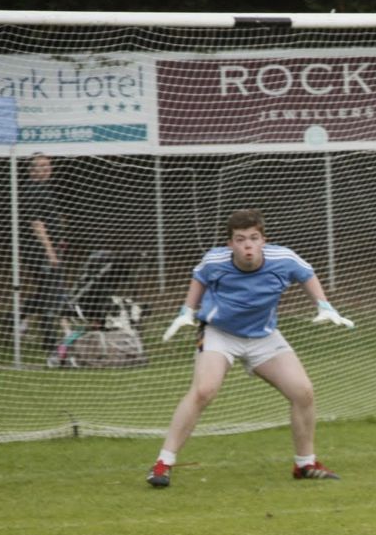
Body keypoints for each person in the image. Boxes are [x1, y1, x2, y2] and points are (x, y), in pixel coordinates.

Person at [147, 209, 355, 488]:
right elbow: (200, 276)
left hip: (263, 336)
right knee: (204, 390)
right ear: (230, 244)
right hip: (220, 333)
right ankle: (163, 463)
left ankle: (305, 464)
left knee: (303, 391)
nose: (247, 245)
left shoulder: (283, 258)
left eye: (254, 238)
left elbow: (306, 274)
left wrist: (324, 305)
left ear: (263, 241)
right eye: (240, 239)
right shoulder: (215, 260)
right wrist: (187, 310)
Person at [19, 153, 73, 367]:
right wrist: (50, 252)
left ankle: (15, 319)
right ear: (31, 170)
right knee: (52, 297)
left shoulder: (45, 188)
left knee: (46, 293)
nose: (44, 169)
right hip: (39, 253)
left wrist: (60, 234)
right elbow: (37, 224)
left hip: (48, 251)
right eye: (39, 166)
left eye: (47, 165)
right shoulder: (32, 189)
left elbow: (49, 218)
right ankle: (52, 348)